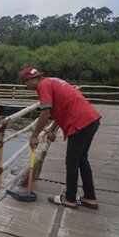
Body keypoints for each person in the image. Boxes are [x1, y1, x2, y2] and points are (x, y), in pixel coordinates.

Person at [19, 66, 101, 209]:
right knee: (81, 160)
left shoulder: (43, 86)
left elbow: (45, 113)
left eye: (26, 83)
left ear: (32, 79)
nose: (26, 86)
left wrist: (34, 136)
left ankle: (69, 198)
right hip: (91, 119)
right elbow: (60, 107)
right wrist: (52, 130)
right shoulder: (52, 81)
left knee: (72, 161)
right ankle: (90, 197)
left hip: (80, 123)